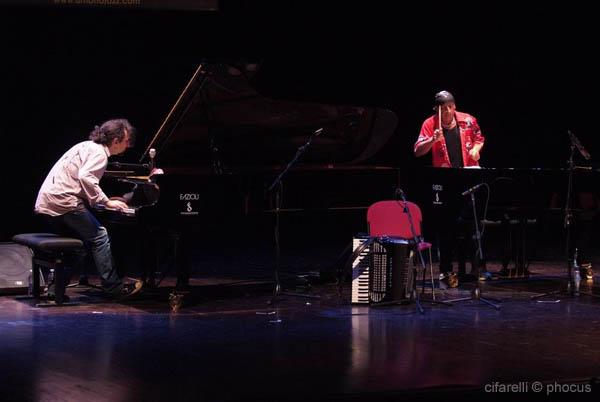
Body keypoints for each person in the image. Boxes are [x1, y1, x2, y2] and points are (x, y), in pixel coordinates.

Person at [34, 118, 142, 300]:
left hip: (47, 202)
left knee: (79, 247)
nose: (128, 146)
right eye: (126, 141)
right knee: (100, 236)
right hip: (64, 202)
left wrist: (100, 201)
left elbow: (78, 180)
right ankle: (113, 288)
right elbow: (85, 177)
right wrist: (106, 202)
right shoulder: (100, 153)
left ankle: (55, 290)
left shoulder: (85, 145)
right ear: (116, 141)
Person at [414, 90, 486, 287]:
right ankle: (446, 270)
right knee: (446, 226)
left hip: (467, 177)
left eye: (449, 107)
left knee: (473, 224)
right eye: (442, 109)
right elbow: (418, 151)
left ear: (454, 106)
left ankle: (477, 268)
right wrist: (432, 140)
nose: (446, 112)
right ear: (436, 109)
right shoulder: (430, 124)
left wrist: (476, 150)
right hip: (445, 180)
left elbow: (480, 138)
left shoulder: (468, 120)